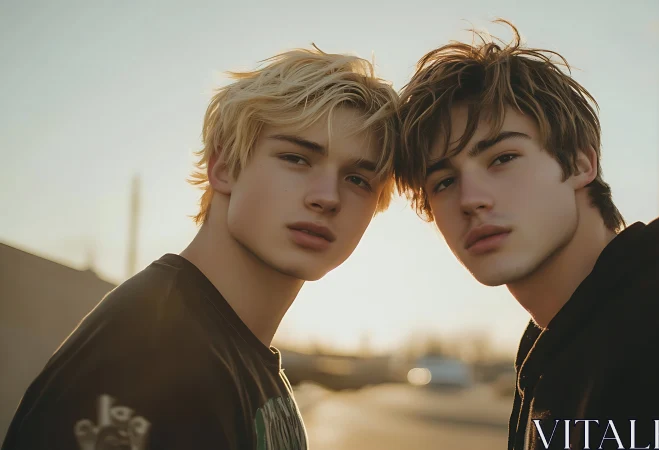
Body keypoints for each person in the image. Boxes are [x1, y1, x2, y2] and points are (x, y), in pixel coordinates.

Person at [395, 21, 659, 450]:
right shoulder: (560, 340)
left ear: (580, 163)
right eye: (443, 182)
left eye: (503, 158)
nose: (470, 199)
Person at [3, 47, 399, 450]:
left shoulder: (241, 357)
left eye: (358, 180)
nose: (327, 197)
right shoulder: (148, 348)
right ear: (224, 167)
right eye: (297, 158)